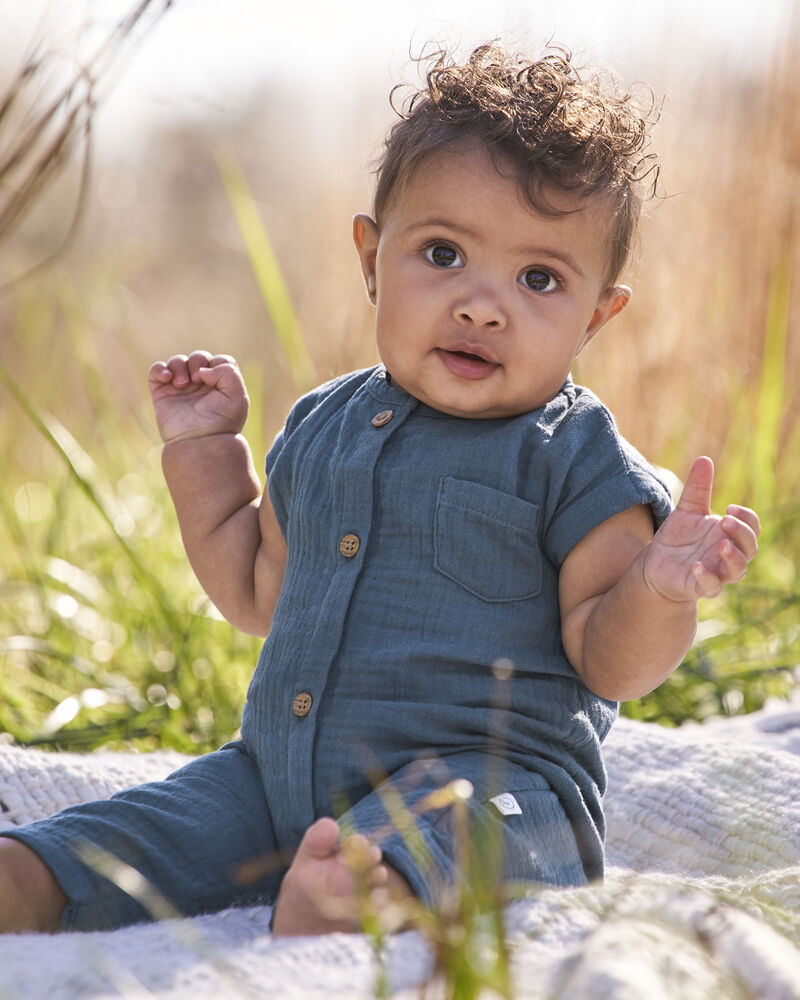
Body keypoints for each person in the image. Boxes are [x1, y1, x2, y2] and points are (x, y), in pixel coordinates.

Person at [0, 44, 759, 936]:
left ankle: (354, 897)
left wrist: (660, 590)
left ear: (596, 316)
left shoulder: (575, 455)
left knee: (406, 855)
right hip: (274, 779)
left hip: (490, 793)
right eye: (443, 253)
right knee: (86, 849)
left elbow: (612, 659)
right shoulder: (323, 424)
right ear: (371, 257)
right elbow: (254, 592)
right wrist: (205, 453)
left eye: (539, 278)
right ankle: (38, 881)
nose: (483, 306)